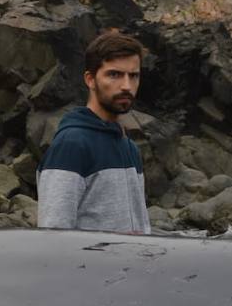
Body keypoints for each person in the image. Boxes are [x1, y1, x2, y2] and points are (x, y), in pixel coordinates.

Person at [36, 30, 150, 233]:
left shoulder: (129, 147)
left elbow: (141, 229)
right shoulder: (71, 144)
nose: (126, 86)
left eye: (133, 76)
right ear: (90, 79)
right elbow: (53, 234)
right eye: (114, 74)